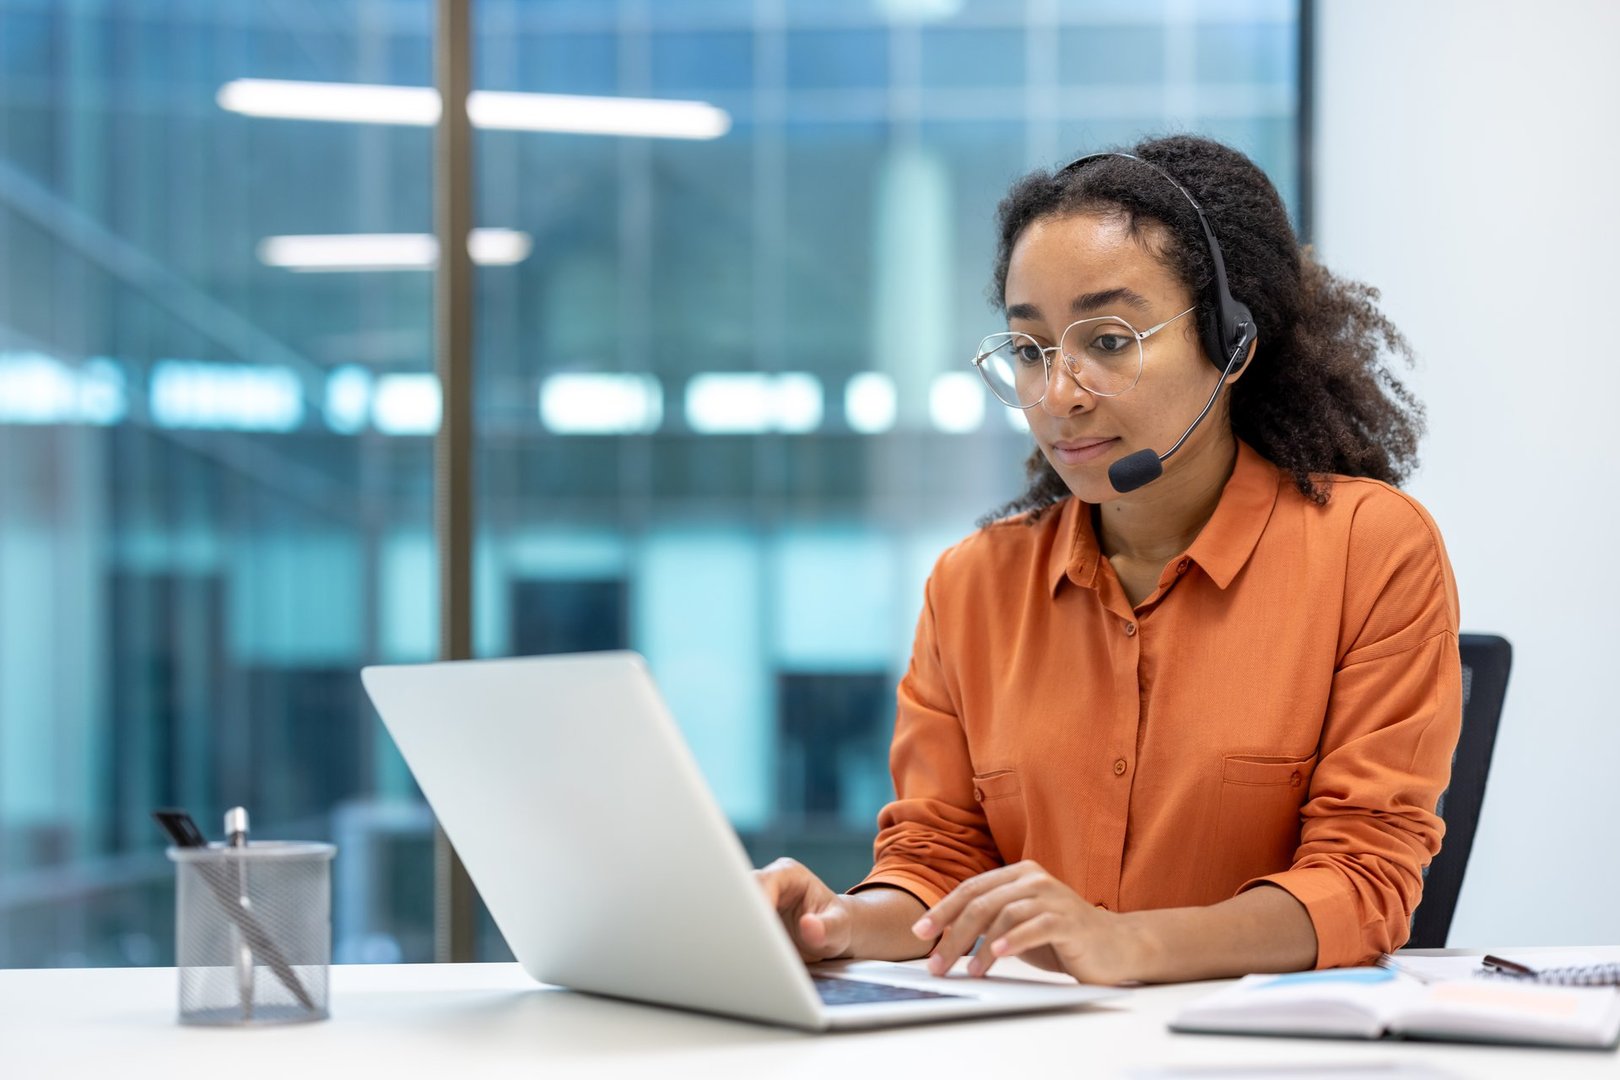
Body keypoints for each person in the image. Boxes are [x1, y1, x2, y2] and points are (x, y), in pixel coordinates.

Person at [755, 134, 1461, 986]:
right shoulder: (972, 586)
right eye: (1030, 350)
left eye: (1111, 341)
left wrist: (1128, 943)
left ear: (1233, 341)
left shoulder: (1369, 549)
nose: (1059, 395)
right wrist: (839, 923)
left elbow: (1364, 880)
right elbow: (939, 861)